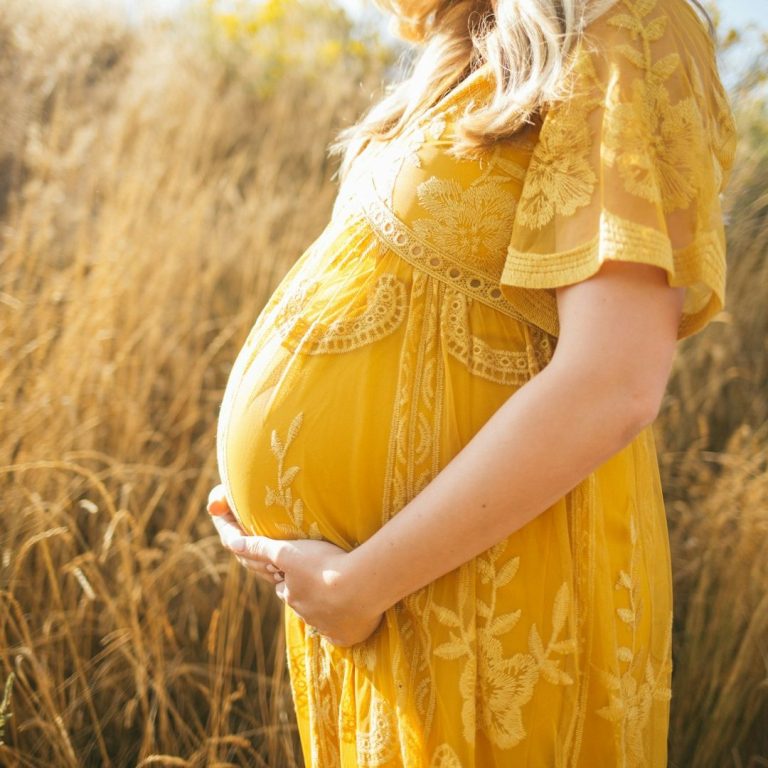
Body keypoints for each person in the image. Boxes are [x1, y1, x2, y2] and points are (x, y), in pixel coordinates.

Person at [207, 0, 737, 764]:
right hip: (386, 596)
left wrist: (361, 585)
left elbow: (614, 380)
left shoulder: (633, 26)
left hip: (494, 598)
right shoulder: (467, 48)